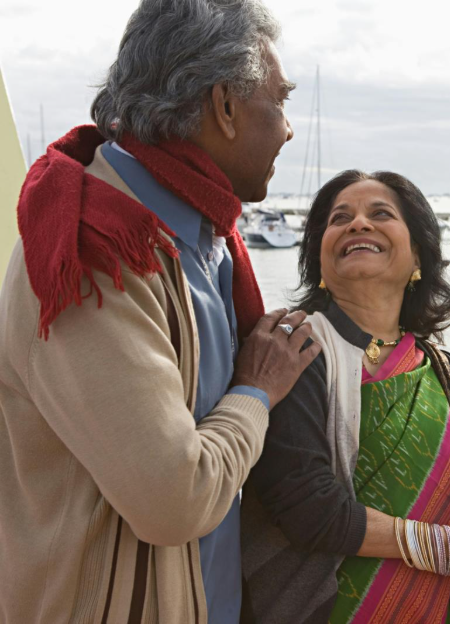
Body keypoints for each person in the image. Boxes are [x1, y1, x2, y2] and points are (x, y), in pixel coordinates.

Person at [0, 1, 319, 622]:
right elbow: (173, 500)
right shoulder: (94, 249)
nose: (286, 129)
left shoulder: (209, 243)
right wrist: (257, 390)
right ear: (225, 106)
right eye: (279, 102)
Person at [241, 170, 450, 623]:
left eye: (380, 214)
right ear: (319, 257)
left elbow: (434, 501)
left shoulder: (448, 375)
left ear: (418, 253)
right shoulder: (294, 349)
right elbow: (306, 508)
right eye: (340, 218)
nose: (358, 224)